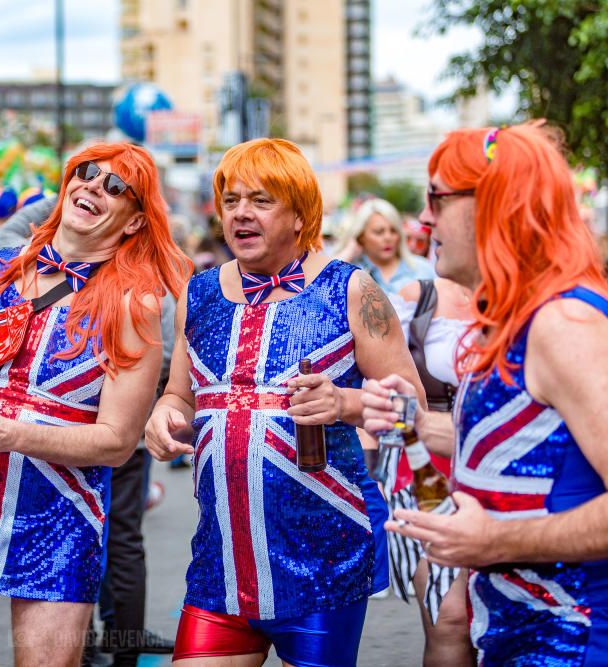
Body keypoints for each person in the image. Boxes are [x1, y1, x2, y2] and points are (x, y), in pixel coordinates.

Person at [0, 142, 192, 667]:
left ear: (135, 223)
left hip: (59, 520)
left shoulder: (134, 303)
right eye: (87, 174)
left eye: (116, 187)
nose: (93, 186)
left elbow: (116, 442)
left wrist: (10, 433)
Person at [144, 137, 423, 667]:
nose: (241, 214)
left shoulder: (352, 290)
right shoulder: (198, 294)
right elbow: (178, 392)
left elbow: (413, 410)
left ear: (300, 215)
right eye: (231, 200)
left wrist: (343, 402)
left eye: (262, 200)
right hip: (219, 564)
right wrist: (165, 415)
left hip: (324, 564)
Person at [362, 122, 608, 666]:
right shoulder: (508, 321)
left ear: (496, 204)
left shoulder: (563, 323)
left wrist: (495, 543)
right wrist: (418, 424)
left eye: (437, 198)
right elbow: (525, 449)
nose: (423, 220)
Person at [378, 277, 475, 666]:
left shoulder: (527, 295)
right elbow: (380, 379)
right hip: (423, 471)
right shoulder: (417, 297)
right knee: (448, 617)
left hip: (497, 465)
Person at [334, 198, 434, 294]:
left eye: (393, 230)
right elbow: (322, 286)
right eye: (379, 232)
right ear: (361, 236)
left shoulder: (422, 268)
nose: (388, 237)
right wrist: (349, 251)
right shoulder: (349, 270)